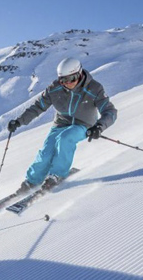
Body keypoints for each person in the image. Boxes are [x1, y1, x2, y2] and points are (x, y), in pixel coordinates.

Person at [7, 57, 117, 193]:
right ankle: (32, 181)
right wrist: (19, 121)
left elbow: (110, 111)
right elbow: (38, 106)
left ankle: (56, 175)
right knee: (46, 152)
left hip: (84, 125)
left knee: (65, 138)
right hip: (60, 124)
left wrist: (100, 126)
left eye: (71, 79)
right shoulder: (55, 88)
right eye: (63, 80)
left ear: (79, 74)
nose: (67, 83)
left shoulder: (94, 89)